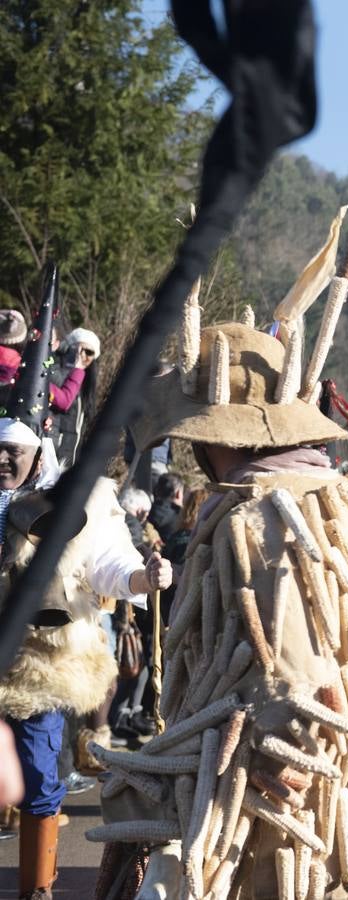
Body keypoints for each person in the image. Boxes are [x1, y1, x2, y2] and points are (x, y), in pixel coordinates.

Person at [94, 209, 348, 896]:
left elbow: (292, 683)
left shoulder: (258, 518)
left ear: (215, 437)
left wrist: (249, 757)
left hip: (284, 823)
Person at [0, 266, 171, 900]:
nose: (0, 461)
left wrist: (140, 576)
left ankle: (37, 888)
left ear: (36, 454)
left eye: (11, 452)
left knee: (42, 771)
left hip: (40, 661)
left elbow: (106, 564)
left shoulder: (84, 499)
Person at [48, 327, 100, 467]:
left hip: (71, 457)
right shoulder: (56, 372)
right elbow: (63, 401)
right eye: (76, 348)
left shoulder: (87, 385)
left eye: (88, 352)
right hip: (52, 453)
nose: (81, 355)